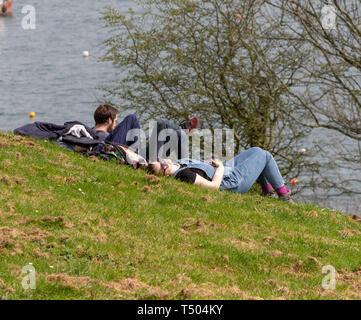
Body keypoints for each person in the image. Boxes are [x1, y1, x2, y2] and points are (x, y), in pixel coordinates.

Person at [148, 147, 294, 203]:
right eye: (162, 166)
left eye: (160, 160)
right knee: (264, 156)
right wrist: (220, 167)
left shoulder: (179, 164)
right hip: (231, 182)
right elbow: (213, 187)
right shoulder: (184, 175)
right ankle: (284, 197)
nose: (164, 161)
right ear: (165, 174)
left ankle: (268, 192)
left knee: (256, 151)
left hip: (227, 170)